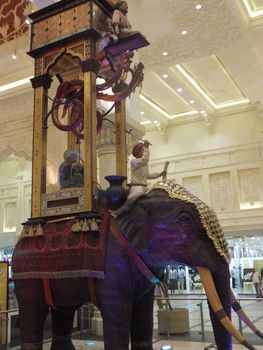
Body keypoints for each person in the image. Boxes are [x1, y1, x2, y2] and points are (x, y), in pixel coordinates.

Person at [114, 140, 167, 216]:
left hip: (144, 187)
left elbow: (148, 175)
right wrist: (146, 148)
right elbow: (144, 161)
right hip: (137, 187)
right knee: (130, 202)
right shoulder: (134, 162)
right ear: (137, 151)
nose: (143, 152)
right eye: (142, 150)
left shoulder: (144, 164)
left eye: (143, 150)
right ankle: (119, 212)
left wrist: (160, 174)